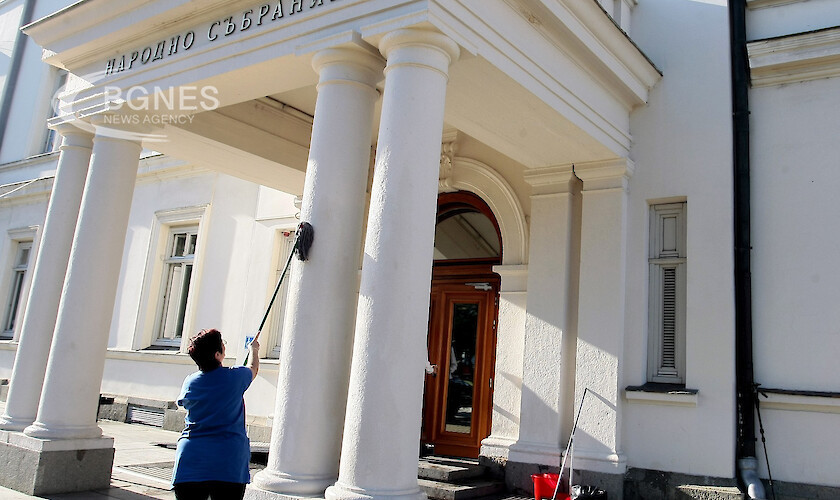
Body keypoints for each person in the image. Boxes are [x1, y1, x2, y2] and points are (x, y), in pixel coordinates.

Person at [171, 328, 260, 500]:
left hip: (191, 459)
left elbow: (183, 403)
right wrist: (253, 349)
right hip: (228, 460)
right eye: (222, 345)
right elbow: (253, 369)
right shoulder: (235, 377)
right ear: (218, 354)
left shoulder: (190, 382)